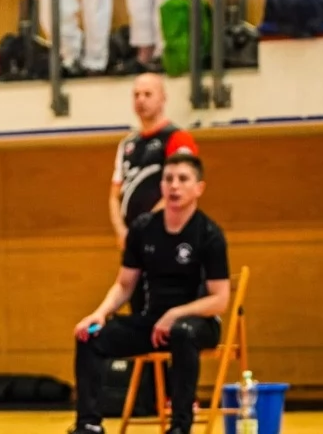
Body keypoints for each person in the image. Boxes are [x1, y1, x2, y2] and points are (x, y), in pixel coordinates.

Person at [72, 153, 229, 434]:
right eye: (169, 179)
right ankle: (89, 424)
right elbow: (124, 285)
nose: (174, 185)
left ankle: (180, 426)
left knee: (182, 332)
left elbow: (220, 300)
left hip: (197, 324)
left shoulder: (209, 234)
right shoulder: (144, 228)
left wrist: (176, 314)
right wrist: (99, 314)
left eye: (183, 179)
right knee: (90, 336)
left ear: (199, 188)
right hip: (153, 323)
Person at [110, 74, 197, 252]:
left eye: (148, 94)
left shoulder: (177, 138)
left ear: (163, 98)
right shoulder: (127, 144)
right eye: (136, 95)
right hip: (135, 243)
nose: (141, 100)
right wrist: (122, 231)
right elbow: (114, 196)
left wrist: (146, 226)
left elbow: (184, 190)